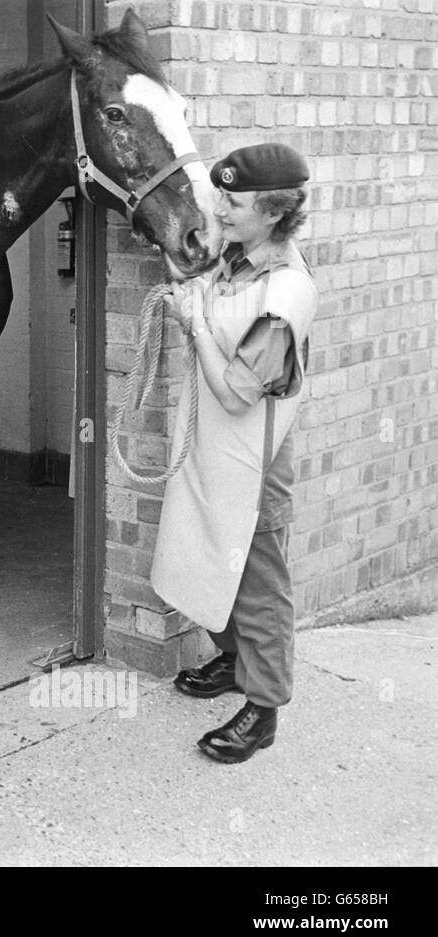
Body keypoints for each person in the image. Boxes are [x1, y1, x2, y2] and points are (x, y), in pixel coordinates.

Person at [151, 143, 319, 764]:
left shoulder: (287, 296)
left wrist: (193, 326)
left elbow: (235, 392)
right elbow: (207, 301)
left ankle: (264, 708)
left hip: (254, 469)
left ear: (274, 214)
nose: (218, 206)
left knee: (258, 587)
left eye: (233, 201)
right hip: (209, 453)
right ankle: (231, 660)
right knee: (202, 555)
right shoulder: (237, 260)